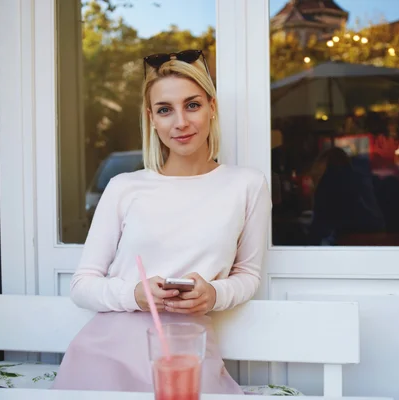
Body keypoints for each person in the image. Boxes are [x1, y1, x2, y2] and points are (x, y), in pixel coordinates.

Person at [52, 49, 271, 394]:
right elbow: (82, 285)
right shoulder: (124, 187)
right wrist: (136, 295)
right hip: (105, 354)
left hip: (186, 349)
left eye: (192, 105)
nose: (180, 122)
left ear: (212, 108)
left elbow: (248, 275)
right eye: (165, 110)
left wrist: (213, 294)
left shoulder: (247, 184)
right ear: (151, 118)